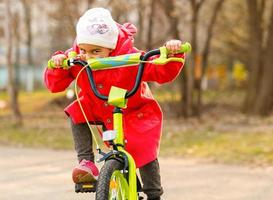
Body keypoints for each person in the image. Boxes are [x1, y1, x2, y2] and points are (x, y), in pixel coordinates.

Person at [44, 7, 185, 200]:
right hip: (99, 108)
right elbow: (54, 84)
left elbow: (160, 71)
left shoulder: (131, 57)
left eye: (96, 51)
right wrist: (59, 63)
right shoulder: (78, 57)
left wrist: (171, 54)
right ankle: (86, 162)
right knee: (78, 109)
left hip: (135, 111)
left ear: (111, 47)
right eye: (83, 50)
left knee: (144, 151)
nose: (88, 56)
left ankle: (153, 193)